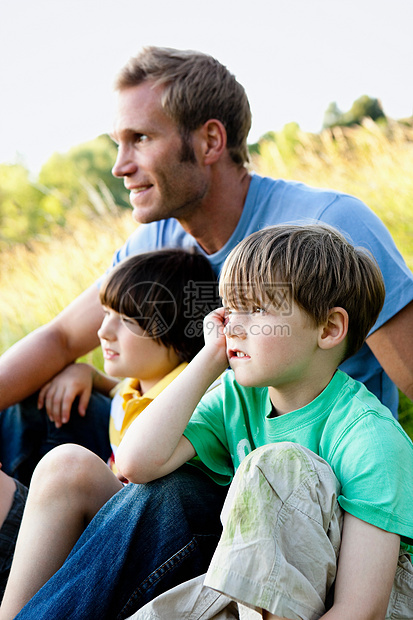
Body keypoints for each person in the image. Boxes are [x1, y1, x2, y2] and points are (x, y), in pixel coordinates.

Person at [0, 47, 412, 618]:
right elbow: (58, 341)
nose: (120, 164)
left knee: (169, 490)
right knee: (27, 414)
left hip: (295, 493)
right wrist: (87, 372)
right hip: (199, 441)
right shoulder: (157, 246)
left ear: (211, 140)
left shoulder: (327, 229)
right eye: (118, 142)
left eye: (140, 139)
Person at [117, 224, 413, 619]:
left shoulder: (369, 435)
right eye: (230, 307)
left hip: (380, 601)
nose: (233, 327)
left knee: (276, 466)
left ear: (328, 329)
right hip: (262, 592)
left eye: (257, 310)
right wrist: (208, 360)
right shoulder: (237, 397)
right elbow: (136, 463)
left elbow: (362, 609)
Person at [0, 247, 219, 615]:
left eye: (127, 320)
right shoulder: (137, 385)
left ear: (181, 329)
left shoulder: (189, 398)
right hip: (110, 516)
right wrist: (88, 374)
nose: (103, 331)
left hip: (140, 530)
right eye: (106, 314)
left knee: (67, 466)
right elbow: (120, 394)